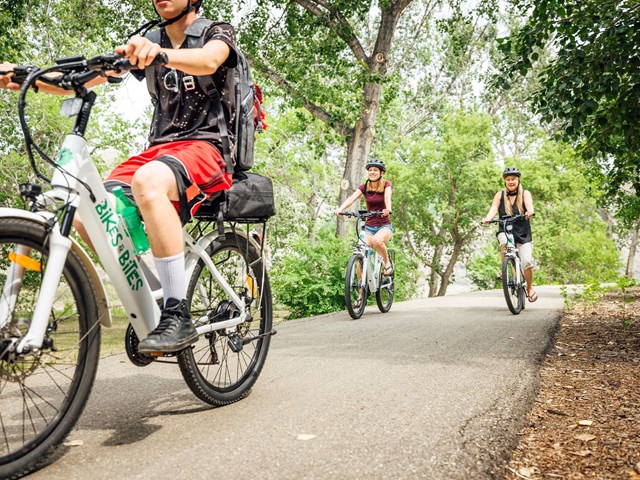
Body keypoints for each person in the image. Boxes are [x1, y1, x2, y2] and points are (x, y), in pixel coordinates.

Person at [0, 0, 238, 352]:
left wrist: (158, 54)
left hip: (208, 146)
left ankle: (177, 312)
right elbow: (77, 82)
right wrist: (22, 77)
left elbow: (210, 60)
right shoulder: (148, 39)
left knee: (148, 181)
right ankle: (149, 296)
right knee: (86, 210)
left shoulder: (216, 32)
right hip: (159, 151)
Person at [336, 158, 393, 306]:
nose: (372, 172)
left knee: (376, 241)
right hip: (368, 226)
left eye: (375, 170)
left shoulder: (386, 184)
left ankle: (386, 263)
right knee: (359, 254)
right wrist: (340, 209)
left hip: (383, 226)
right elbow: (352, 198)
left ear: (381, 173)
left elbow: (387, 197)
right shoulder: (364, 187)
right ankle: (362, 293)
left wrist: (387, 209)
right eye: (370, 170)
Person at [482, 167, 537, 302]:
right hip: (505, 229)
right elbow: (494, 208)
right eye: (508, 179)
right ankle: (505, 268)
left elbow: (529, 205)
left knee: (526, 261)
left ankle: (529, 288)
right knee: (504, 242)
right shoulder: (499, 195)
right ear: (505, 182)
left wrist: (530, 211)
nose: (511, 181)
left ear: (518, 180)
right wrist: (487, 218)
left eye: (513, 179)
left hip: (522, 233)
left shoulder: (525, 193)